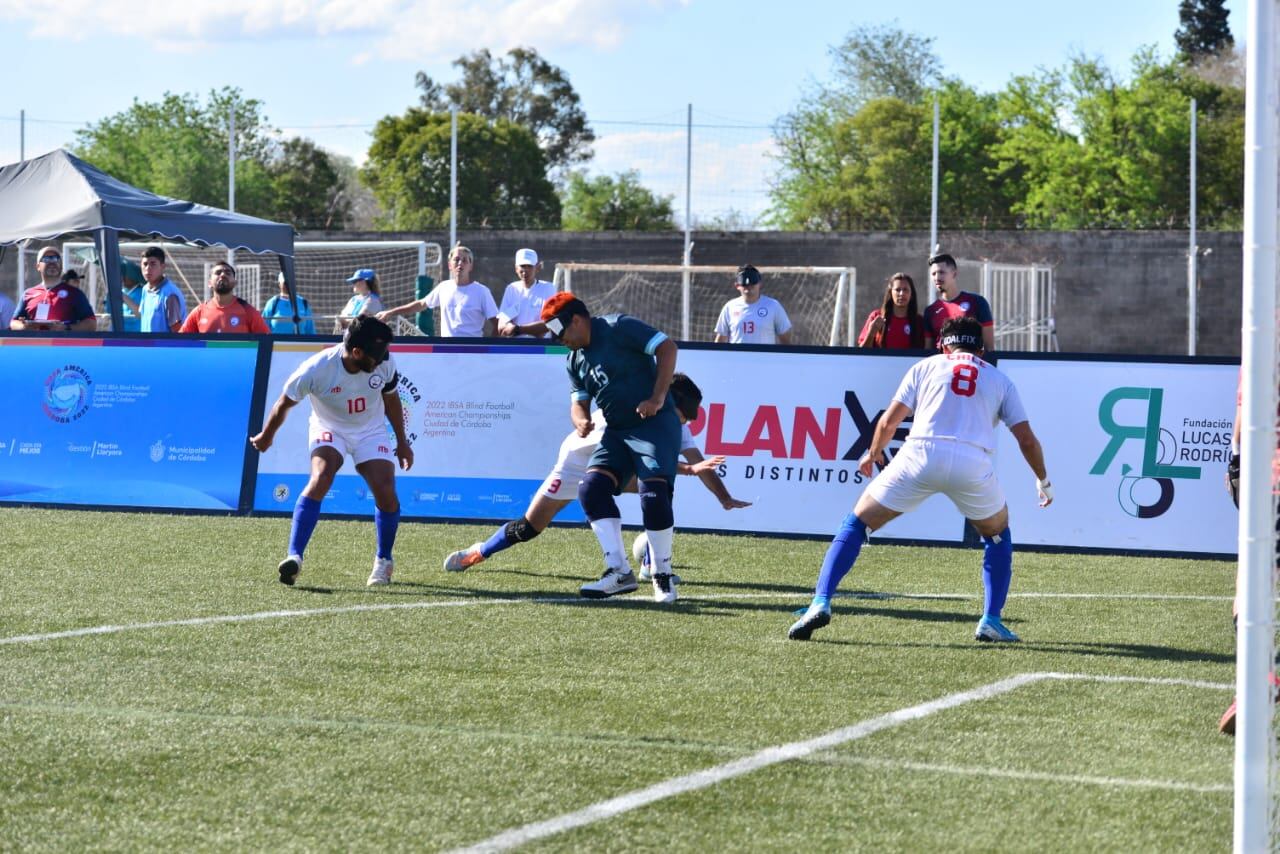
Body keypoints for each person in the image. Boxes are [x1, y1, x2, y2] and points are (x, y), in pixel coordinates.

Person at [788, 316, 1053, 642]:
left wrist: (873, 453)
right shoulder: (999, 380)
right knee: (997, 535)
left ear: (943, 345)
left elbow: (888, 422)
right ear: (981, 349)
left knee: (856, 523)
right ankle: (991, 620)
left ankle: (821, 601)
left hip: (920, 454)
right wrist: (1043, 480)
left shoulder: (926, 366)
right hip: (972, 462)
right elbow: (1026, 439)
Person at [443, 373, 750, 574]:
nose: (683, 425)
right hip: (577, 462)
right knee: (528, 528)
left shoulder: (673, 426)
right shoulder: (633, 410)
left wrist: (724, 497)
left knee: (657, 486)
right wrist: (687, 469)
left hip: (610, 471)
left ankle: (651, 562)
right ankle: (479, 552)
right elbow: (651, 458)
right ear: (669, 403)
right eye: (683, 416)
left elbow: (697, 462)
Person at [536, 291, 683, 602]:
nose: (560, 340)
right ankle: (619, 572)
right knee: (590, 489)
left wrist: (657, 398)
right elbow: (578, 403)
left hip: (653, 424)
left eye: (560, 332)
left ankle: (663, 574)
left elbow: (667, 348)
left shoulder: (618, 327)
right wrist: (580, 420)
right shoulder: (574, 360)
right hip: (616, 432)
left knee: (653, 494)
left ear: (576, 320)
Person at [249, 316, 413, 588]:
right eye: (376, 355)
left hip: (370, 430)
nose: (383, 359)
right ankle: (294, 557)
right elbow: (283, 404)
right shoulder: (316, 369)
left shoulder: (384, 362)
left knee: (386, 489)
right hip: (330, 428)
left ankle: (384, 560)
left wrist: (403, 441)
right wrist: (267, 436)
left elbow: (392, 400)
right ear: (357, 352)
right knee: (321, 477)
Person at [378, 244, 497, 337]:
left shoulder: (482, 292)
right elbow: (421, 304)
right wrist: (390, 312)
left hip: (472, 352)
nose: (460, 263)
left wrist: (489, 351)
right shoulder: (443, 287)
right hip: (447, 352)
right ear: (450, 265)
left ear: (471, 266)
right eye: (456, 259)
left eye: (465, 260)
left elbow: (496, 324)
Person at [10, 246, 97, 331]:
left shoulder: (75, 293)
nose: (52, 262)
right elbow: (14, 322)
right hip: (34, 344)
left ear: (61, 265)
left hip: (62, 344)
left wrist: (66, 328)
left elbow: (91, 324)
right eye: (46, 259)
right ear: (38, 266)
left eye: (56, 258)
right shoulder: (28, 294)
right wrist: (24, 327)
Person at [922, 252, 994, 352]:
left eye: (941, 272)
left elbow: (989, 348)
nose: (937, 278)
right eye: (933, 274)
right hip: (943, 366)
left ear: (954, 274)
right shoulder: (930, 311)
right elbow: (928, 351)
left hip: (970, 365)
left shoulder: (977, 302)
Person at [179, 262, 272, 334]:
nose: (223, 275)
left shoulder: (248, 311)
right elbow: (181, 341)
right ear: (209, 283)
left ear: (235, 283)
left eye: (228, 273)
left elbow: (266, 342)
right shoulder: (199, 312)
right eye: (218, 273)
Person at [713, 264, 793, 345]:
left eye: (753, 281)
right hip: (738, 357)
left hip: (764, 357)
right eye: (744, 282)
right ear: (737, 285)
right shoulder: (730, 307)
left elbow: (785, 340)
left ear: (760, 284)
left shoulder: (773, 306)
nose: (749, 285)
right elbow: (720, 340)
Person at [497, 248, 556, 338]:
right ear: (516, 268)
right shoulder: (511, 288)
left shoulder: (549, 288)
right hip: (516, 347)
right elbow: (501, 324)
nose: (525, 270)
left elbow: (553, 324)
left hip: (542, 348)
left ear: (538, 267)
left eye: (529, 266)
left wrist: (517, 329)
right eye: (522, 266)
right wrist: (509, 327)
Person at [857, 272, 926, 349]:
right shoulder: (876, 317)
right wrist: (871, 334)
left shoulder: (919, 321)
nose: (901, 293)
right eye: (898, 290)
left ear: (911, 294)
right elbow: (862, 353)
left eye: (905, 290)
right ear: (890, 292)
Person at [136, 246, 187, 333]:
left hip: (164, 346)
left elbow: (177, 331)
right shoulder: (145, 289)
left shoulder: (170, 294)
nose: (148, 268)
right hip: (147, 346)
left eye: (153, 264)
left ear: (163, 266)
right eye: (145, 264)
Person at [117, 260, 146, 332]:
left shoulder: (142, 292)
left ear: (134, 277)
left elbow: (140, 313)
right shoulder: (122, 291)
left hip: (135, 335)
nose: (122, 277)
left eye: (125, 275)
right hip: (120, 333)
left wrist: (123, 297)